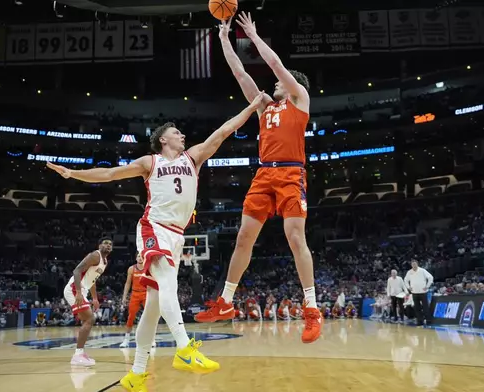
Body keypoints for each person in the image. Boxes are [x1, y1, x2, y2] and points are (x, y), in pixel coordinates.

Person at [46, 92, 265, 392]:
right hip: (154, 228)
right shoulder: (150, 162)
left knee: (152, 307)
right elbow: (110, 173)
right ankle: (184, 348)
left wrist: (252, 107)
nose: (183, 135)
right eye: (177, 132)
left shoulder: (194, 157)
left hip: (177, 235)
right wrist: (73, 173)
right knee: (167, 285)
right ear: (163, 139)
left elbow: (224, 131)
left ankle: (136, 374)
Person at [195, 12, 322, 344]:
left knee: (295, 238)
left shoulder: (299, 100)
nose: (274, 84)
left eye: (279, 82)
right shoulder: (266, 107)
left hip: (291, 173)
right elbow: (240, 73)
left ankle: (312, 310)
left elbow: (278, 66)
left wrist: (251, 34)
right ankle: (225, 302)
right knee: (242, 239)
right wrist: (224, 40)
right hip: (264, 174)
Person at [63, 237, 113, 366]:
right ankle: (78, 355)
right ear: (99, 245)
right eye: (105, 243)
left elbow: (92, 280)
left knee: (88, 319)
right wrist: (79, 292)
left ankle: (80, 353)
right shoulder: (95, 255)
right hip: (74, 288)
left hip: (82, 290)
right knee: (89, 319)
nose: (108, 245)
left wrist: (95, 298)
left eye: (110, 244)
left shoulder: (104, 261)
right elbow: (77, 271)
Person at [120, 253, 155, 348]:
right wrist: (124, 297)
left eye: (142, 257)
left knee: (150, 317)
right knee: (131, 317)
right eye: (139, 256)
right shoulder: (131, 269)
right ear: (136, 258)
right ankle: (126, 340)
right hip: (135, 294)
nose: (140, 258)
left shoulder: (149, 268)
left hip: (146, 293)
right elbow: (127, 283)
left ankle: (152, 340)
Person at [404, 260, 434, 326]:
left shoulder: (422, 270)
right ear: (411, 265)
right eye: (412, 264)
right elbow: (405, 280)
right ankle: (420, 321)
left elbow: (430, 277)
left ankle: (428, 320)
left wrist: (427, 286)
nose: (414, 265)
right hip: (414, 292)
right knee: (417, 308)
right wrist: (408, 287)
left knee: (426, 307)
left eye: (415, 264)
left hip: (423, 292)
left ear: (417, 264)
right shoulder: (409, 272)